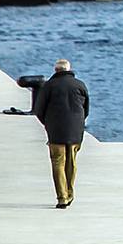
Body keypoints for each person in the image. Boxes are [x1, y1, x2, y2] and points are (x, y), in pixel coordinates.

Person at [34, 58, 90, 208]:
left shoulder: (48, 86)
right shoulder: (80, 85)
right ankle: (70, 193)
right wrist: (79, 123)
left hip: (56, 131)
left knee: (58, 163)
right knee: (71, 163)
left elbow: (38, 110)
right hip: (75, 131)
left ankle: (62, 197)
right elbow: (86, 109)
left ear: (55, 70)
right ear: (69, 69)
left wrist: (48, 123)